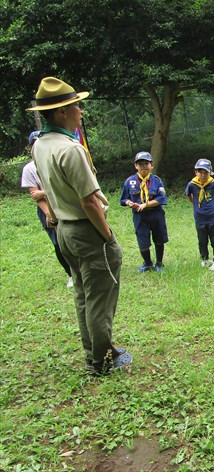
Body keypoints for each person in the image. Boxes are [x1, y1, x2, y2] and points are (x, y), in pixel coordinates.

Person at [28, 76, 131, 375]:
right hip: (87, 230)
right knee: (100, 298)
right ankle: (100, 362)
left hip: (63, 230)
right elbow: (89, 202)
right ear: (62, 112)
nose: (81, 112)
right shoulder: (70, 149)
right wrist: (108, 235)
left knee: (84, 295)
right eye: (77, 106)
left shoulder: (41, 145)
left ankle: (96, 352)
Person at [21, 131, 73, 288]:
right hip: (46, 208)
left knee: (74, 238)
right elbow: (35, 195)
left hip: (65, 204)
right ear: (31, 147)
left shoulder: (56, 159)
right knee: (58, 242)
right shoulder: (29, 169)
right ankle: (71, 274)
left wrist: (44, 191)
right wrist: (48, 213)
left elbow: (65, 187)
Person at [120, 151, 169, 272]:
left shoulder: (157, 181)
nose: (143, 166)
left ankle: (159, 263)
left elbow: (161, 198)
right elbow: (123, 199)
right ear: (135, 166)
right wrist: (129, 203)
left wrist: (145, 205)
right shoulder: (129, 182)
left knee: (159, 239)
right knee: (143, 240)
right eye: (140, 163)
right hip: (140, 216)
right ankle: (147, 263)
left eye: (146, 163)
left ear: (151, 165)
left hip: (156, 214)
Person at [185, 158, 214, 270]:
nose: (203, 175)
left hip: (212, 217)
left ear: (210, 172)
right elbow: (189, 196)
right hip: (199, 217)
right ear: (196, 172)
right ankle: (205, 258)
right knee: (202, 240)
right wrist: (196, 205)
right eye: (200, 172)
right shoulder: (192, 185)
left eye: (205, 172)